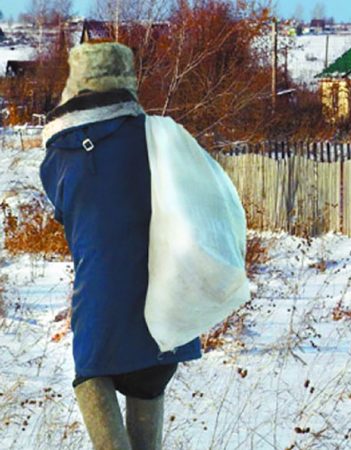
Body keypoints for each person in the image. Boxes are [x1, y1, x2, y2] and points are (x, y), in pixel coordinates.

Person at [39, 42, 201, 450]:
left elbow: (70, 215)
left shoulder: (57, 156)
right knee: (149, 389)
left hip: (99, 302)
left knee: (91, 376)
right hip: (164, 304)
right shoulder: (157, 137)